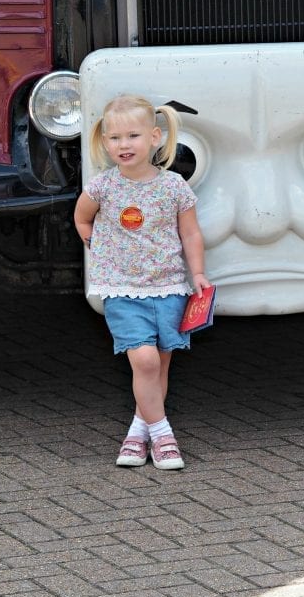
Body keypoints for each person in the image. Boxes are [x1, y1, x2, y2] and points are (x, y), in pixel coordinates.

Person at [74, 94, 211, 469]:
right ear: (105, 142)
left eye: (132, 136)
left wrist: (197, 272)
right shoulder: (103, 186)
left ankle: (138, 432)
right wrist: (93, 243)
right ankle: (164, 434)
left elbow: (192, 235)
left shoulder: (174, 186)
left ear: (154, 138)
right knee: (146, 361)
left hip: (168, 288)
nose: (123, 145)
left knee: (158, 367)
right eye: (115, 138)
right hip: (123, 290)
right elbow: (82, 217)